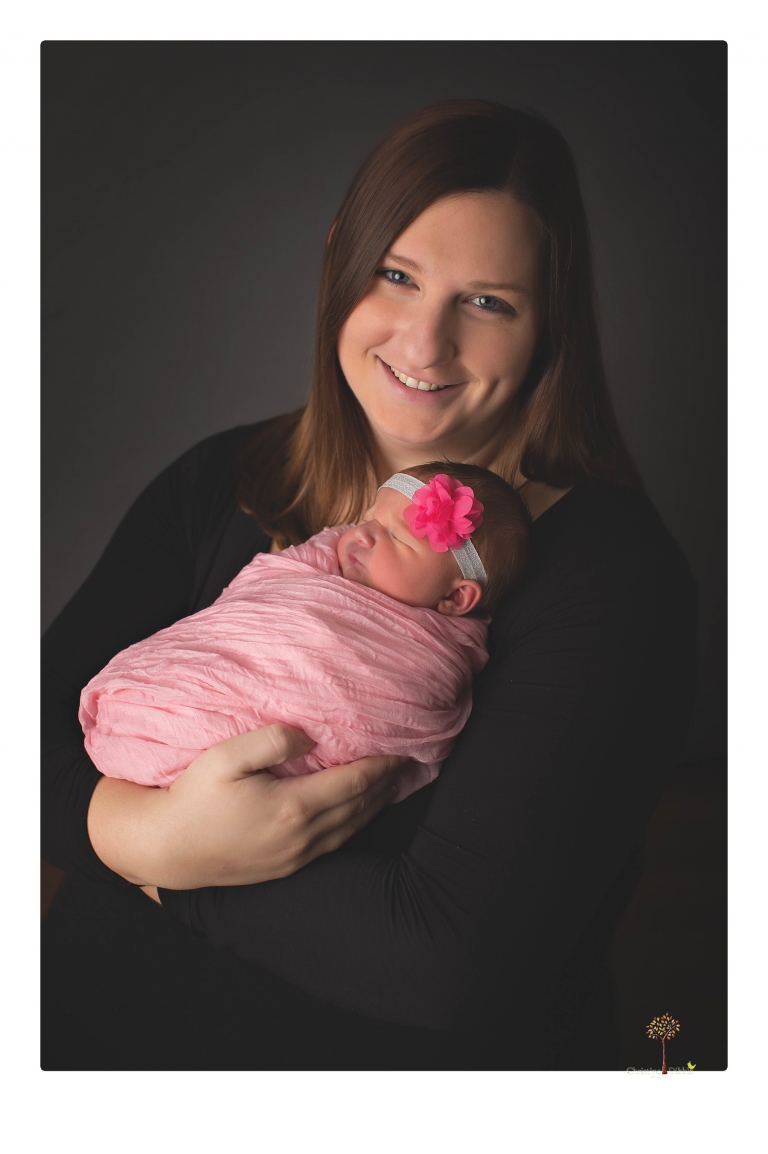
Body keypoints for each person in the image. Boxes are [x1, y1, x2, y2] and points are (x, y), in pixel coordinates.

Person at [41, 99, 698, 1070]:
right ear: (339, 266)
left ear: (548, 325)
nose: (425, 345)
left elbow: (443, 963)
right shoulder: (226, 478)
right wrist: (145, 833)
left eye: (488, 302)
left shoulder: (612, 580)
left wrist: (179, 871)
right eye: (397, 275)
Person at [79, 464, 529, 804]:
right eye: (368, 519)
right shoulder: (316, 565)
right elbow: (250, 600)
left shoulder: (434, 654)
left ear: (455, 598)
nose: (362, 536)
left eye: (395, 538)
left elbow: (396, 702)